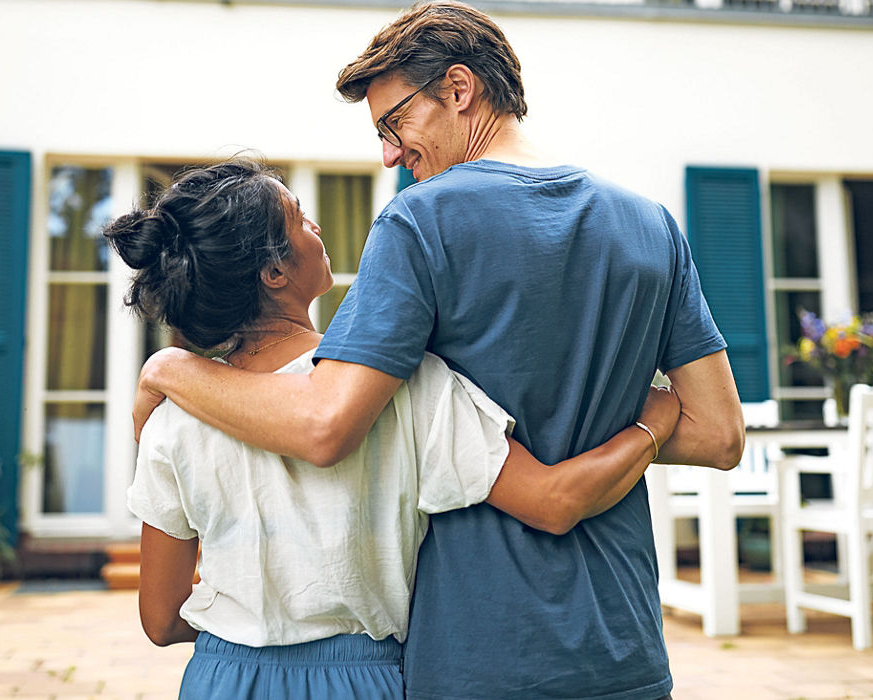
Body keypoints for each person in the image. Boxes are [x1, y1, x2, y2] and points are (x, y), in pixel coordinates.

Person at [133, 0, 745, 699]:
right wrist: (651, 416)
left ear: (459, 89)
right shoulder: (651, 224)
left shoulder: (422, 220)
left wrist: (171, 365)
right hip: (625, 640)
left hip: (476, 650)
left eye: (396, 124)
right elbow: (722, 435)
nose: (390, 153)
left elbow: (324, 422)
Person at [108, 159, 683, 698]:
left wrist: (244, 636)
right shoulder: (405, 386)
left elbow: (160, 620)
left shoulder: (173, 414)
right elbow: (554, 502)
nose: (316, 226)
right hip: (364, 680)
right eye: (298, 218)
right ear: (275, 271)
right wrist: (651, 427)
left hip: (222, 676)